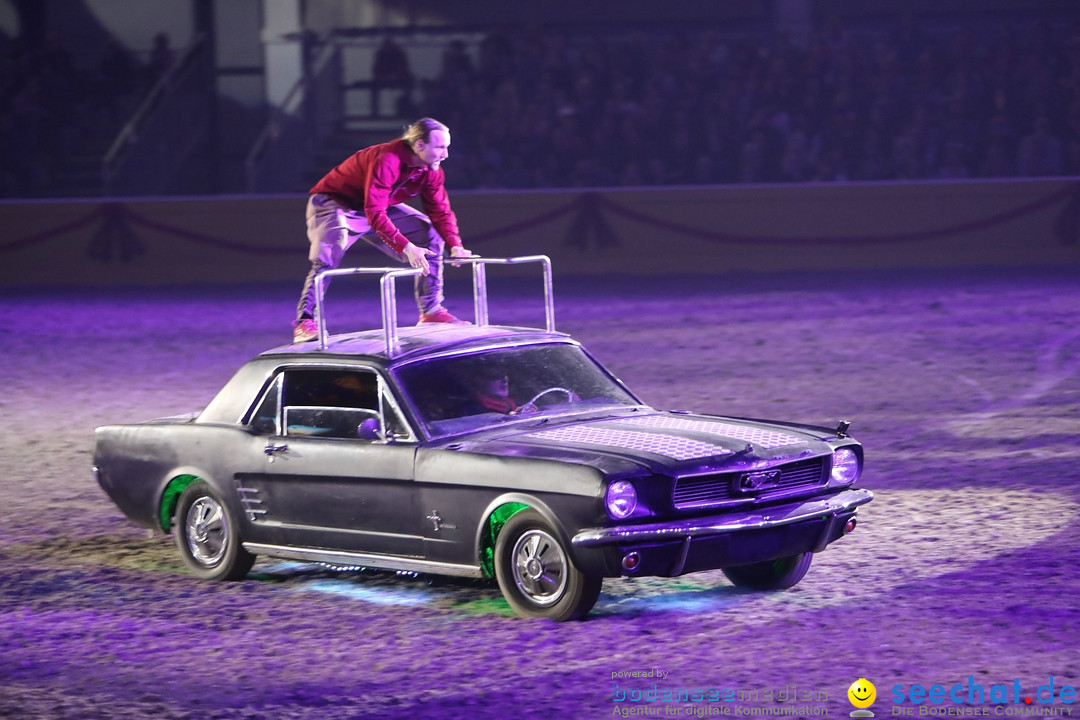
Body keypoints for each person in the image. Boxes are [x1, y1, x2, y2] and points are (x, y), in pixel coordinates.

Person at [293, 117, 475, 343]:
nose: (445, 154)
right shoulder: (387, 159)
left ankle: (431, 311)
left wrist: (455, 244)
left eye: (446, 147)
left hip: (374, 206)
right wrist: (406, 247)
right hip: (335, 202)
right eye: (440, 147)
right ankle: (305, 322)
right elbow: (375, 211)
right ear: (419, 145)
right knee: (331, 248)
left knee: (428, 232)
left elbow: (440, 210)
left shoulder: (431, 170)